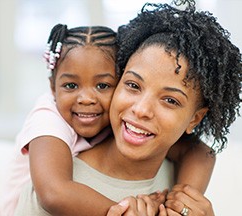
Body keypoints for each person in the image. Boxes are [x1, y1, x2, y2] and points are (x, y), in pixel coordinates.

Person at [13, 0, 241, 215]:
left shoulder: (183, 182)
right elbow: (54, 194)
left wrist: (182, 202)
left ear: (196, 119)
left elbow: (202, 152)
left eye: (170, 100)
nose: (141, 109)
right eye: (133, 85)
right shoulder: (58, 186)